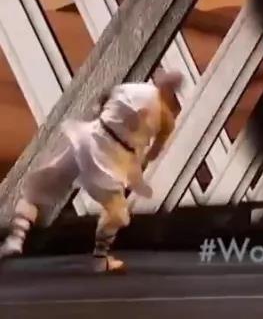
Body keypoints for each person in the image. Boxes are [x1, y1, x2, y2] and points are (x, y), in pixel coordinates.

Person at [0, 69, 184, 273]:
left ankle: (16, 238)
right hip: (109, 158)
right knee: (116, 212)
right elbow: (153, 152)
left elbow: (103, 98)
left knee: (39, 188)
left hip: (89, 139)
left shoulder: (133, 90)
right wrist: (137, 159)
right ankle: (100, 257)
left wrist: (106, 115)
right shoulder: (165, 118)